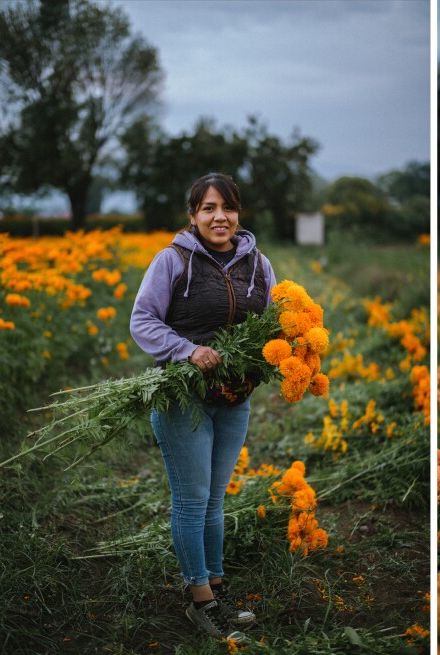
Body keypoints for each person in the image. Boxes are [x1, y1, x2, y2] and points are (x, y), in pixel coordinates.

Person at [130, 172, 277, 642]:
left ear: (239, 213)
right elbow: (142, 320)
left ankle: (215, 588)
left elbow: (272, 324)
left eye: (228, 207)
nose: (220, 217)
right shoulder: (172, 260)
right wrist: (187, 349)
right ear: (193, 216)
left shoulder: (259, 265)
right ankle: (200, 602)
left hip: (235, 401)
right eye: (209, 208)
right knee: (192, 502)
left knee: (215, 499)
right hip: (181, 399)